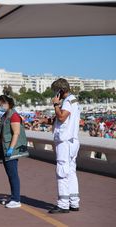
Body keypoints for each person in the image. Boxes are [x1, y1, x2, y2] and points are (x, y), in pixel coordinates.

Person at [49, 78, 81, 214]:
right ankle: (74, 202)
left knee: (62, 171)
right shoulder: (74, 100)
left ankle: (63, 204)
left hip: (65, 141)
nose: (55, 95)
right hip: (73, 140)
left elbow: (62, 117)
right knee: (71, 171)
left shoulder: (67, 101)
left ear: (60, 91)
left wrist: (56, 105)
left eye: (56, 92)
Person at [0, 95, 29, 208]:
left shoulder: (13, 116)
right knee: (10, 175)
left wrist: (11, 148)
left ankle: (16, 199)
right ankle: (14, 196)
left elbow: (16, 133)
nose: (0, 106)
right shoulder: (6, 115)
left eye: (1, 104)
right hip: (5, 148)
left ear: (7, 103)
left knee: (13, 174)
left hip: (11, 150)